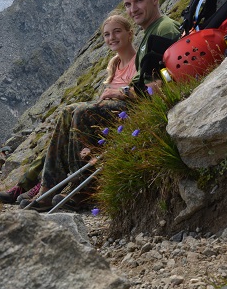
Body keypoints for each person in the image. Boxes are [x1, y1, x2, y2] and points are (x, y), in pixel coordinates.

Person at [16, 12, 139, 211]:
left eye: (117, 32)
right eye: (107, 34)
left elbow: (138, 93)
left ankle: (82, 189)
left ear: (130, 33)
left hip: (126, 120)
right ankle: (48, 187)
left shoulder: (138, 61)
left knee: (81, 111)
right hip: (107, 121)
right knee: (66, 112)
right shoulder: (114, 65)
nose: (112, 38)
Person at [121, 0, 181, 95]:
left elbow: (169, 81)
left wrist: (123, 93)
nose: (133, 9)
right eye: (128, 4)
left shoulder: (165, 29)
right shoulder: (150, 33)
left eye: (139, 0)